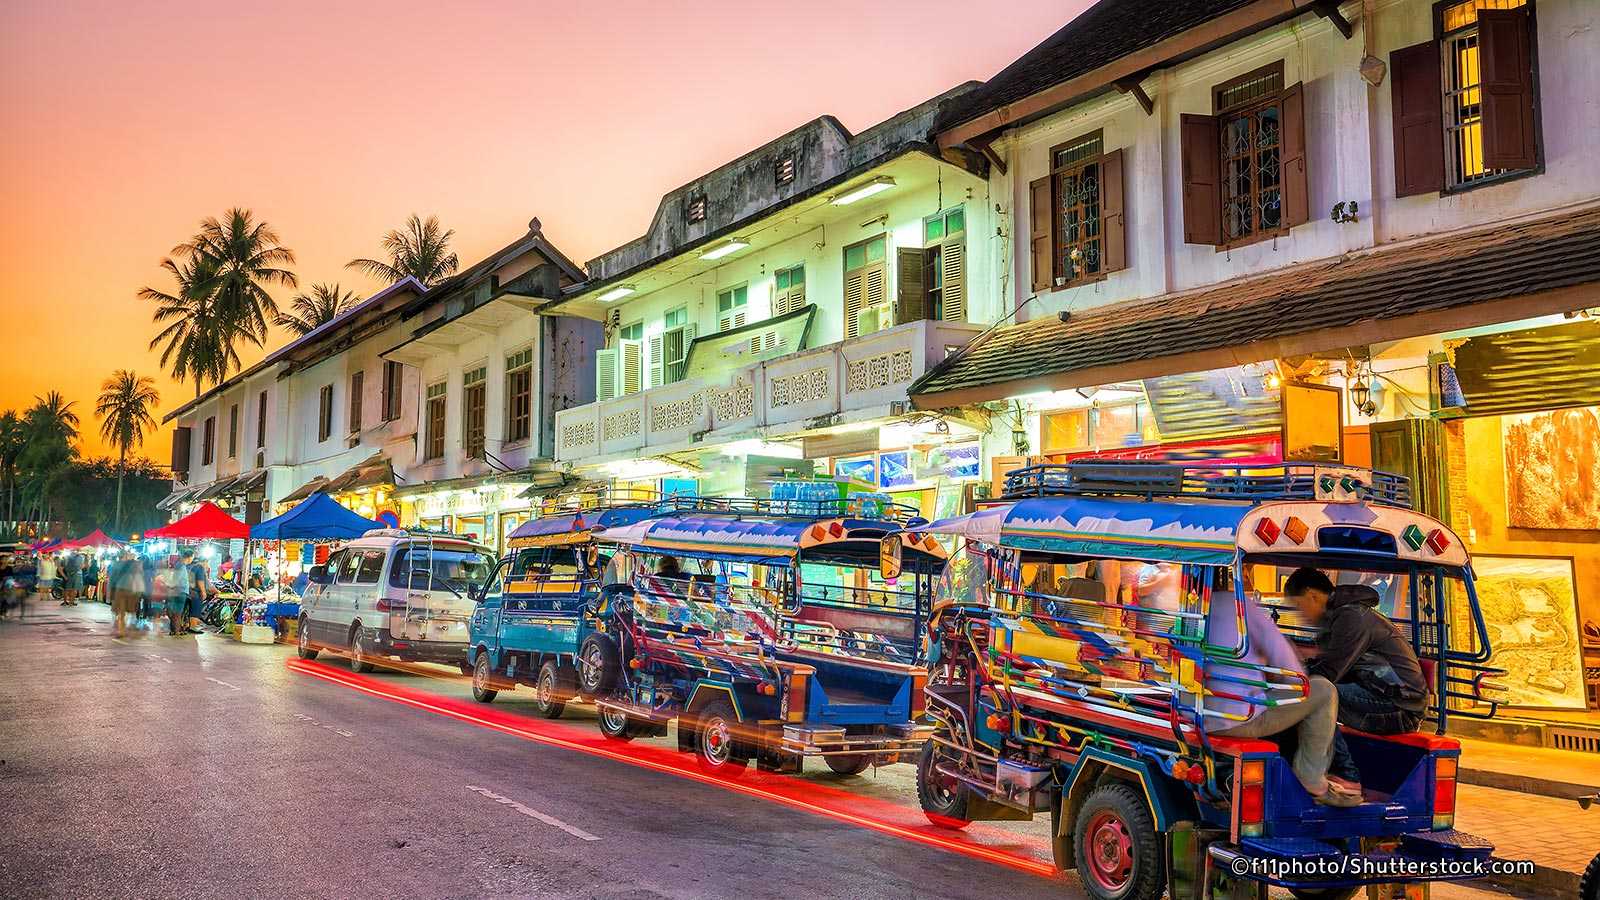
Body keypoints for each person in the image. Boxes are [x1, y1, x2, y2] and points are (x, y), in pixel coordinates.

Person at [1182, 573, 1361, 807]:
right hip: (1239, 719)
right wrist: (1294, 682)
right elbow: (1284, 660)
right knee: (1323, 691)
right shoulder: (1237, 604)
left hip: (1195, 716)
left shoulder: (1186, 608)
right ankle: (1312, 778)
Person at [1284, 568, 1430, 792]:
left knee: (1319, 696)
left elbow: (1330, 672)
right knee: (1314, 690)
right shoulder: (1340, 616)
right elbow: (1329, 665)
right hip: (1386, 698)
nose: (1301, 613)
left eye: (1299, 605)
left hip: (1400, 708)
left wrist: (1291, 677)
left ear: (1311, 594)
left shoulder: (1351, 617)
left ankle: (1346, 773)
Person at [107, 550, 145, 638]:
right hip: (131, 590)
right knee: (130, 610)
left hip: (120, 589)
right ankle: (127, 627)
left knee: (121, 611)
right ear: (126, 556)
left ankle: (122, 631)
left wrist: (109, 591)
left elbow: (112, 579)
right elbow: (140, 575)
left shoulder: (116, 565)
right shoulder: (132, 564)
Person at [181, 549, 210, 634]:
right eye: (207, 563)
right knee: (196, 609)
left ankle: (187, 625)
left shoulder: (193, 566)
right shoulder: (200, 568)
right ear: (204, 561)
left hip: (190, 591)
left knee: (190, 609)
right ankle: (193, 627)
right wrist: (203, 591)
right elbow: (200, 581)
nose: (207, 565)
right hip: (197, 592)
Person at [161, 556, 190, 636]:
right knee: (178, 612)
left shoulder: (177, 566)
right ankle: (177, 631)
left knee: (174, 611)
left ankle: (174, 630)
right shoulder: (181, 565)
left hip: (176, 591)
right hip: (180, 591)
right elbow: (177, 579)